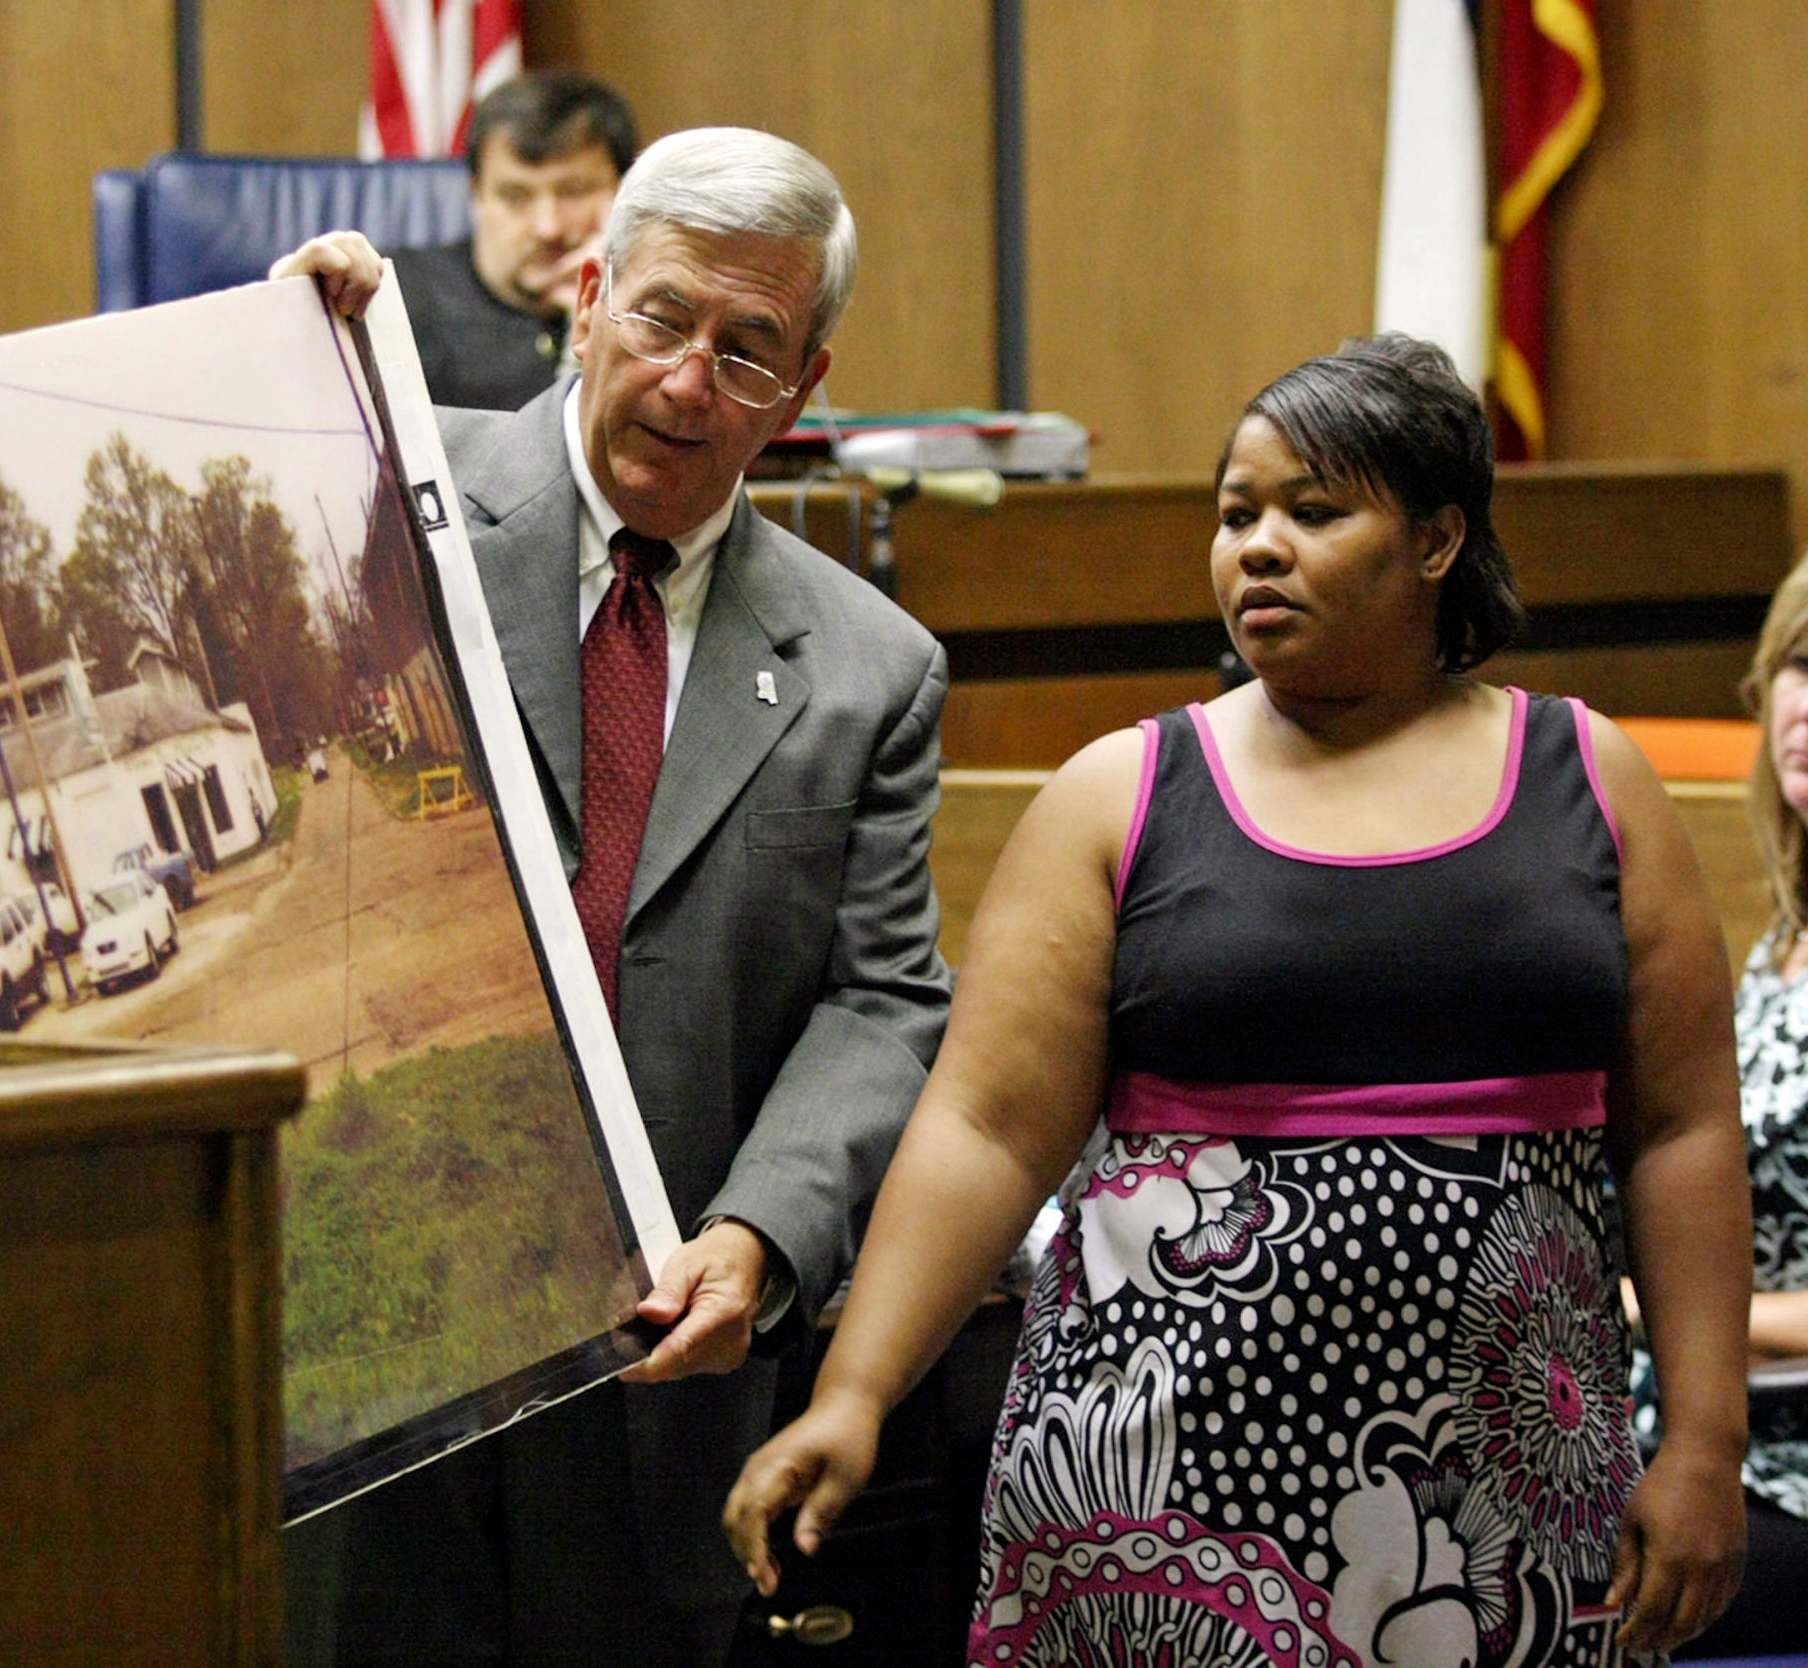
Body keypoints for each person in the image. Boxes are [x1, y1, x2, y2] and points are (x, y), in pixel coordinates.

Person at [725, 334, 1754, 1664]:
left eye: (1312, 513)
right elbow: (983, 1129)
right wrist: (854, 1394)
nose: (1256, 548)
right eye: (1235, 515)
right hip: (1160, 1495)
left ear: (1439, 541)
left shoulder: (1590, 777)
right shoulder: (1119, 793)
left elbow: (1681, 1132)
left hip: (1507, 1503)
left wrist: (1707, 1441)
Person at [272, 126, 952, 1666]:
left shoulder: (871, 671)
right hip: (374, 1347)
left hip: (657, 1373)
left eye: (751, 349)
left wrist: (766, 1236)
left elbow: (885, 995)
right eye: (659, 318)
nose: (690, 384)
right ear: (588, 296)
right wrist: (285, 364)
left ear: (809, 383)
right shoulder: (386, 479)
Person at [1625, 550, 1808, 1658]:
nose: (1806, 702)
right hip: (1692, 1430)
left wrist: (1657, 1309)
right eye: (1795, 662)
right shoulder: (1780, 937)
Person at [387, 69, 636, 411]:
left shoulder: (653, 316)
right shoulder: (395, 298)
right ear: (476, 196)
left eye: (574, 192)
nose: (548, 228)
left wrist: (609, 314)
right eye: (516, 196)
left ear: (626, 190)